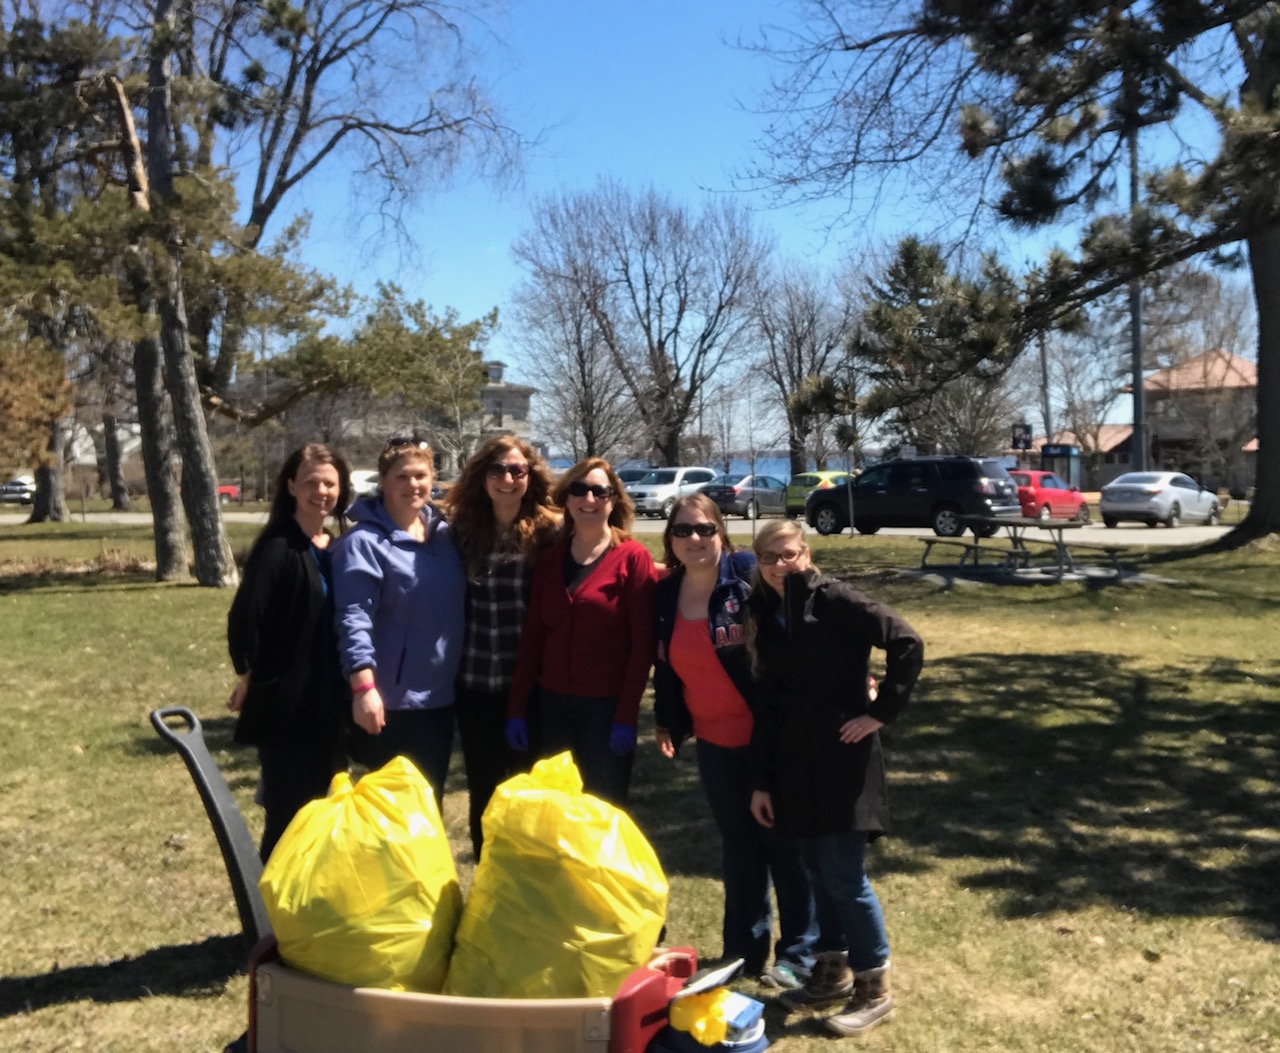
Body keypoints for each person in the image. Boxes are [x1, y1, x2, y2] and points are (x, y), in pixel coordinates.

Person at [745, 519, 923, 1037]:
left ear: (807, 553)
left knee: (845, 876)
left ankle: (875, 986)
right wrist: (761, 781)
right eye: (769, 559)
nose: (781, 566)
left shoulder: (835, 600)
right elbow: (769, 707)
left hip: (845, 760)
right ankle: (832, 973)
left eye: (790, 555)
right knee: (817, 871)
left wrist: (881, 712)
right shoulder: (768, 614)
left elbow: (906, 641)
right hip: (794, 766)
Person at [652, 494, 820, 990]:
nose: (694, 539)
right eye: (683, 531)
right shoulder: (667, 592)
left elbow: (811, 611)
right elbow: (666, 665)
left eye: (704, 529)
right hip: (714, 740)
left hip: (769, 734)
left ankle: (800, 954)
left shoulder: (747, 571)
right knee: (740, 848)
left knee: (784, 845)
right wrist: (668, 721)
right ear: (671, 540)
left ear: (721, 533)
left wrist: (854, 675)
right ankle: (743, 952)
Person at [505, 457, 657, 804]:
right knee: (558, 810)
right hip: (553, 707)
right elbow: (533, 638)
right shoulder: (549, 561)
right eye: (579, 489)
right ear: (567, 498)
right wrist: (516, 709)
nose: (589, 499)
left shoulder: (632, 558)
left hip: (605, 711)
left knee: (602, 811)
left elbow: (642, 644)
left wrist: (626, 715)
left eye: (599, 491)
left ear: (613, 499)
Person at [226, 443, 352, 862]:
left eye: (330, 483)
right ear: (292, 487)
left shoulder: (338, 545)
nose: (322, 491)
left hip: (333, 702)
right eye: (312, 482)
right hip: (288, 706)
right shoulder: (278, 546)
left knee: (325, 808)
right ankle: (270, 917)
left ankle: (309, 908)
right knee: (288, 814)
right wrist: (248, 677)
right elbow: (246, 619)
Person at [443, 434, 560, 858]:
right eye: (497, 470)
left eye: (517, 470)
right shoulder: (461, 530)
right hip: (474, 684)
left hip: (529, 686)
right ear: (482, 476)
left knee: (528, 790)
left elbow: (604, 547)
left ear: (530, 476)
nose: (507, 479)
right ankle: (489, 886)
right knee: (484, 790)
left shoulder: (551, 531)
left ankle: (526, 889)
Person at [332, 437, 466, 808]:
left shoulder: (444, 535)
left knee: (427, 812)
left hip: (439, 701)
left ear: (433, 478)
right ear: (384, 482)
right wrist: (363, 690)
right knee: (391, 818)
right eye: (401, 477)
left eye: (420, 475)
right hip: (390, 706)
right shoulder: (364, 543)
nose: (413, 485)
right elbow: (353, 618)